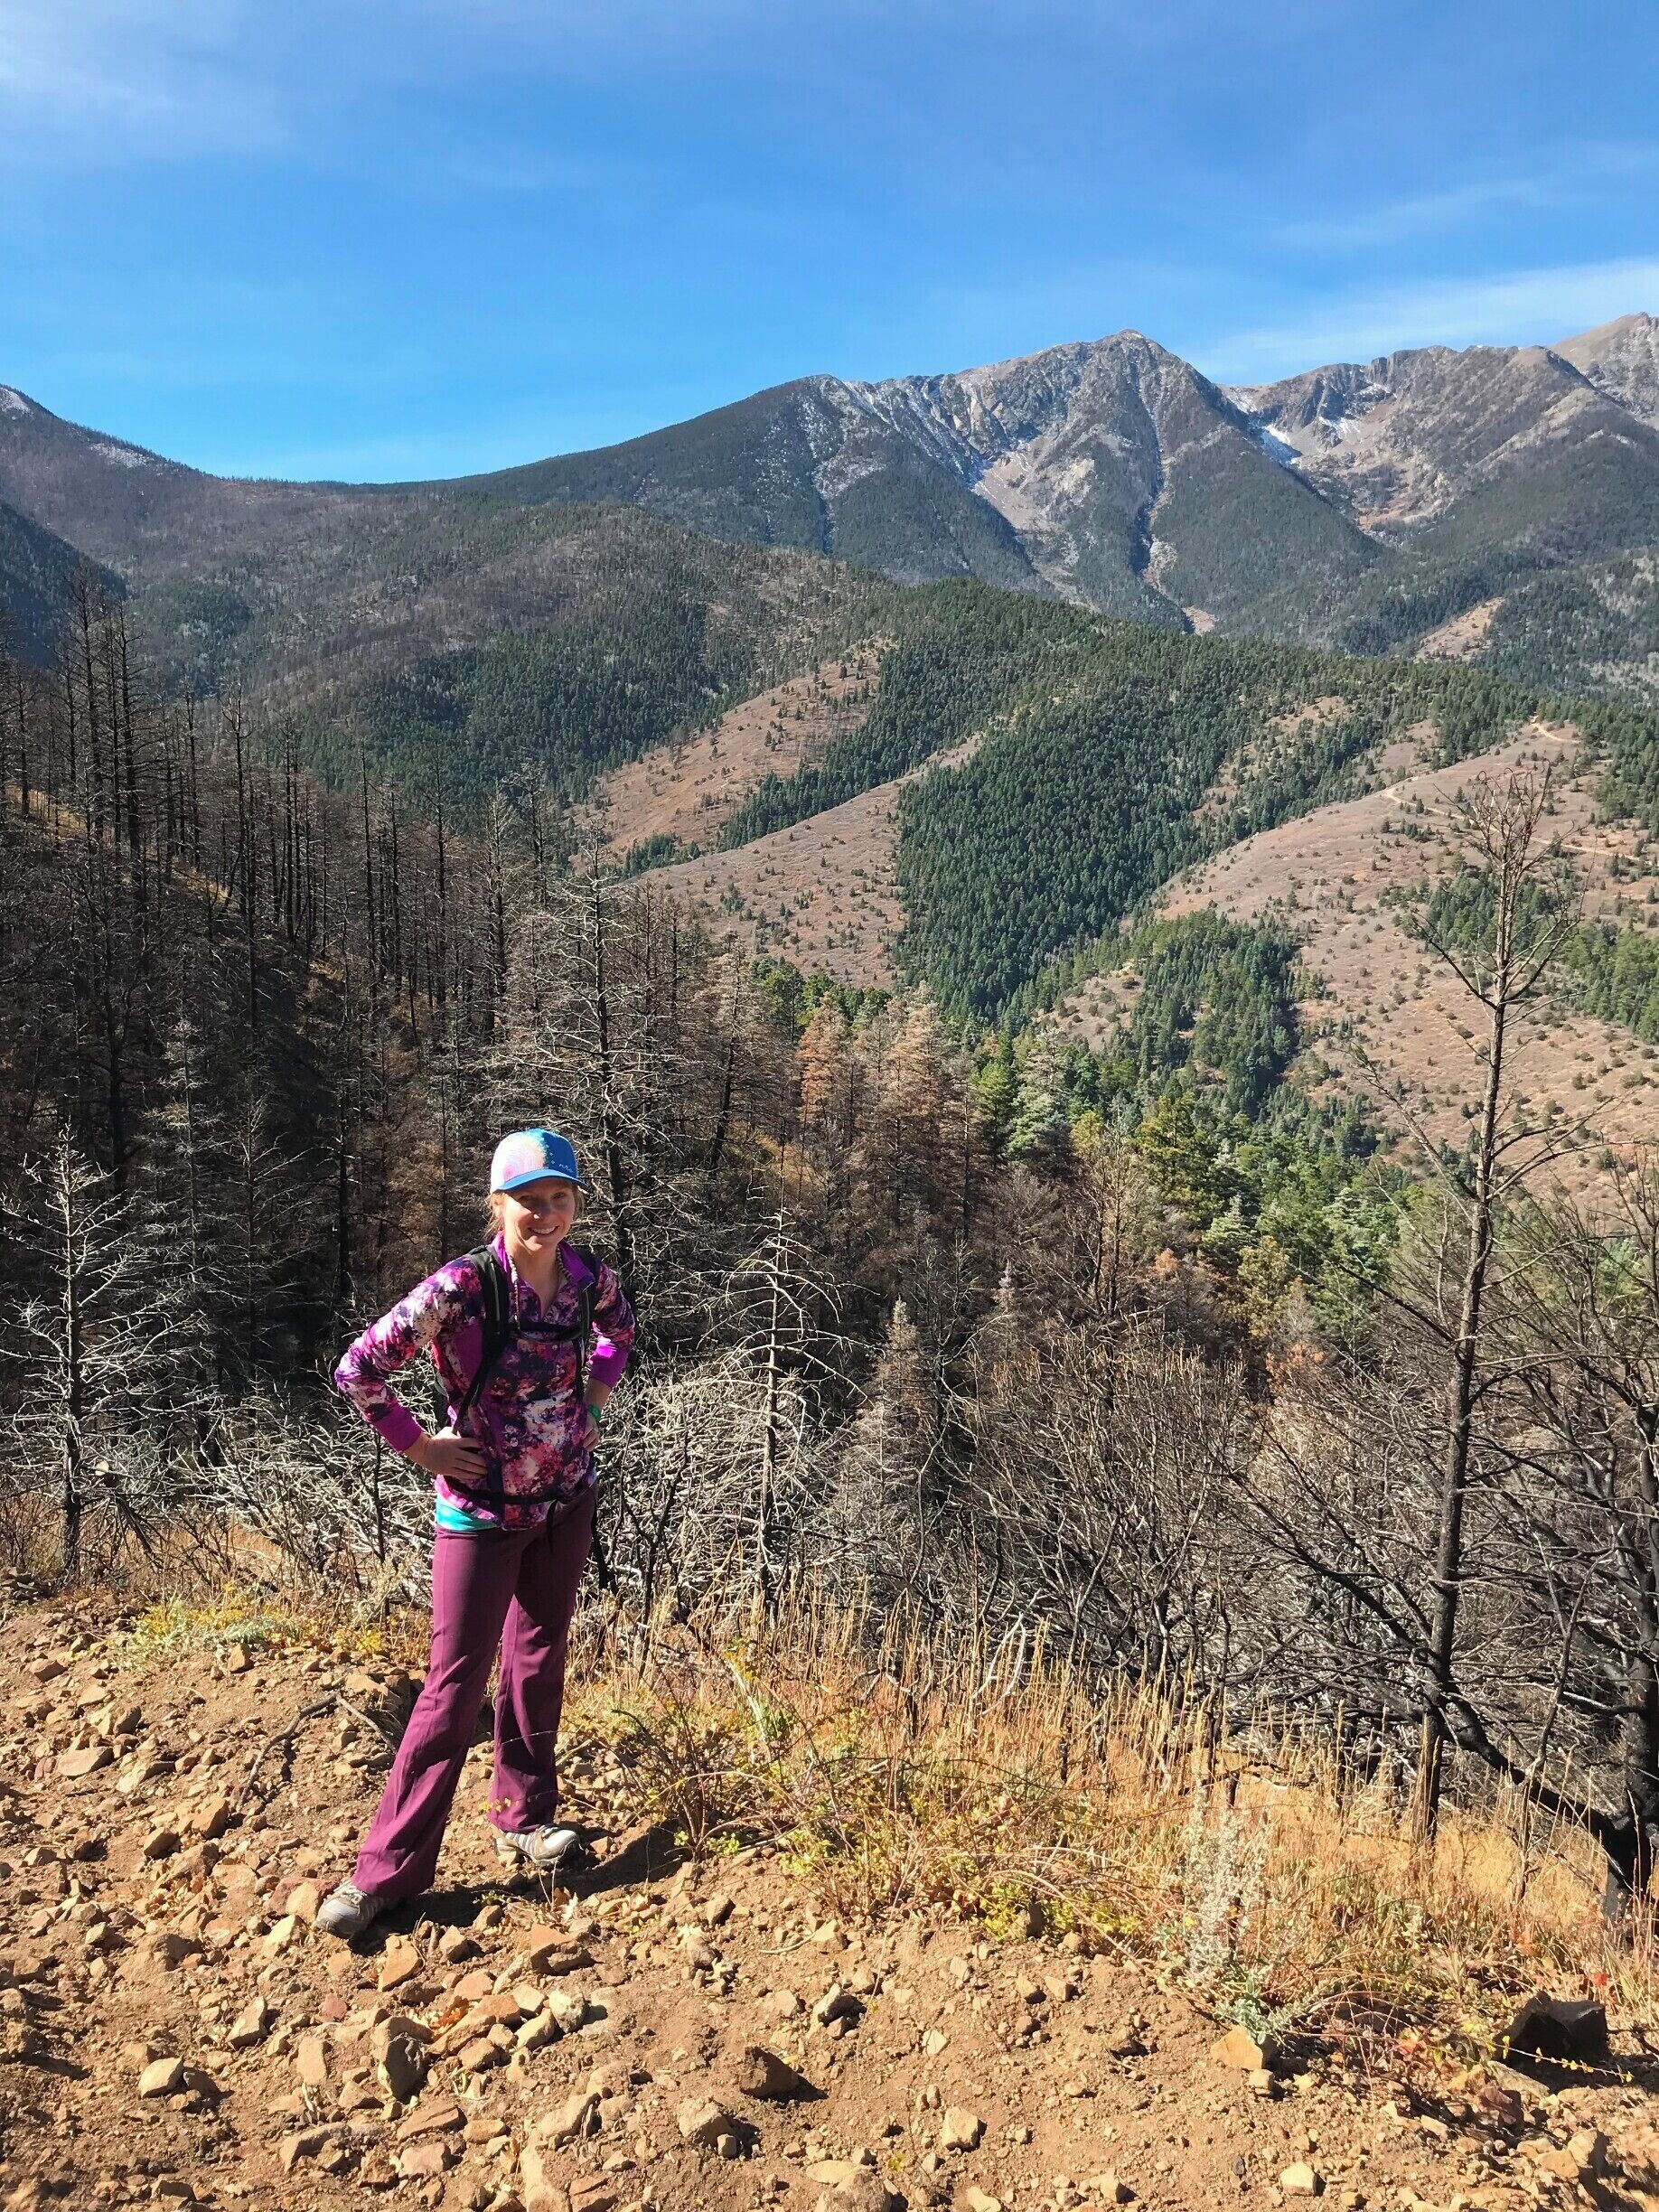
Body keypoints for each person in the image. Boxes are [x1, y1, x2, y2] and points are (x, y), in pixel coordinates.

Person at [316, 1128, 634, 1940]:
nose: (548, 1214)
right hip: (481, 1515)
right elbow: (359, 1368)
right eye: (530, 1202)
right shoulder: (462, 1286)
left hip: (566, 1503)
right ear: (499, 1205)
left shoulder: (586, 1276)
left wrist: (594, 1400)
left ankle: (524, 1819)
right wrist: (418, 1444)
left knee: (538, 1662)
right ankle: (384, 1875)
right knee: (452, 1689)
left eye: (560, 1199)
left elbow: (618, 1335)